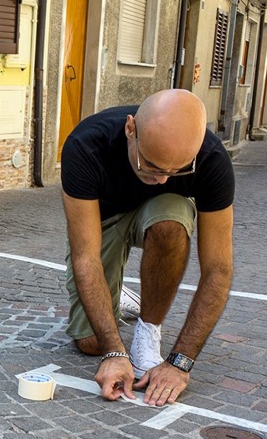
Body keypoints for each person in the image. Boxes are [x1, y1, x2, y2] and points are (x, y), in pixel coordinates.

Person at [60, 89, 234, 407]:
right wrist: (113, 352)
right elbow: (86, 257)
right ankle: (120, 297)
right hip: (104, 219)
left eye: (177, 170)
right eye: (151, 166)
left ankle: (147, 328)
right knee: (90, 343)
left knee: (173, 218)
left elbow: (218, 270)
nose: (162, 179)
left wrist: (180, 363)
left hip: (160, 216)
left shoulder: (211, 160)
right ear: (131, 129)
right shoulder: (85, 145)